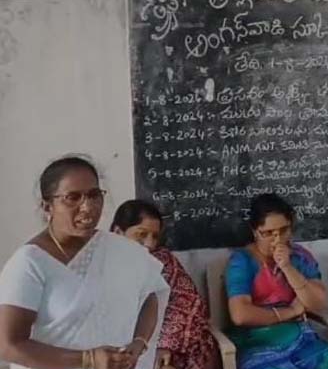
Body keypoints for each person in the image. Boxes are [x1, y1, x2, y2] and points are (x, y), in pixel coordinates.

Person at [0, 156, 170, 369]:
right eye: (72, 197)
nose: (87, 207)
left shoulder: (121, 250)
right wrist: (88, 360)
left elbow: (149, 296)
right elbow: (8, 345)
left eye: (94, 195)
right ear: (47, 206)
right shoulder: (29, 263)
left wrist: (139, 342)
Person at [225, 193, 328, 369]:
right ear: (255, 231)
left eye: (284, 230)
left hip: (302, 341)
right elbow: (240, 315)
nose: (278, 239)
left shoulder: (300, 257)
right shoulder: (242, 261)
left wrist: (287, 267)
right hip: (259, 346)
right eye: (269, 233)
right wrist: (292, 311)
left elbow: (319, 303)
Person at [110, 200, 220, 369]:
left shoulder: (163, 261)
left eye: (154, 236)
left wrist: (165, 345)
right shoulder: (102, 265)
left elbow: (186, 303)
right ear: (118, 232)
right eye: (141, 234)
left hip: (170, 347)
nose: (149, 244)